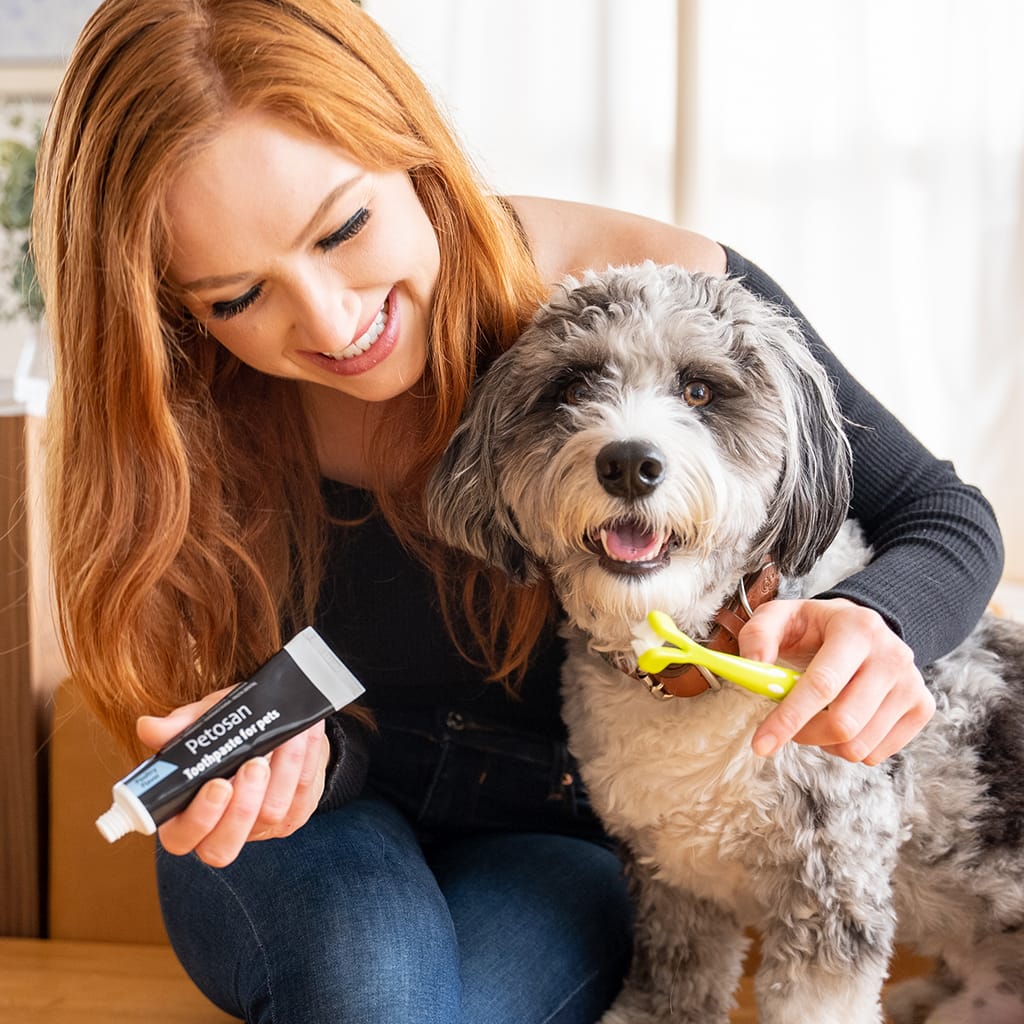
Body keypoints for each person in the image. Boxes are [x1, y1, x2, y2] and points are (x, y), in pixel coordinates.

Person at [33, 1, 1004, 1022]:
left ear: (412, 146)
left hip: (556, 826)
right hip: (311, 817)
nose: (327, 323)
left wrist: (879, 622)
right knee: (366, 990)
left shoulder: (645, 292)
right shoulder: (186, 402)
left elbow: (938, 513)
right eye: (235, 298)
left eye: (345, 228)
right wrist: (273, 749)